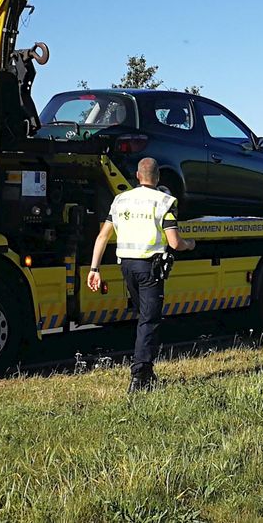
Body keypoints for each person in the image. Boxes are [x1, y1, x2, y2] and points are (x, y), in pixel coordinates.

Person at [87, 157, 197, 392]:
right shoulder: (164, 202)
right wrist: (191, 244)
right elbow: (174, 242)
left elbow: (102, 236)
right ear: (158, 178)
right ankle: (139, 376)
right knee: (149, 320)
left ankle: (147, 371)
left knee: (143, 317)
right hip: (150, 268)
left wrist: (94, 268)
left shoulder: (120, 200)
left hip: (127, 266)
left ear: (137, 176)